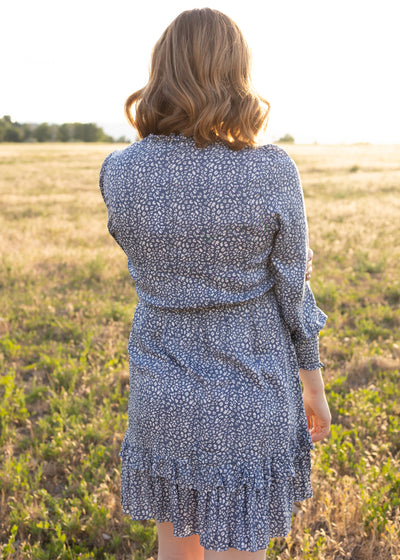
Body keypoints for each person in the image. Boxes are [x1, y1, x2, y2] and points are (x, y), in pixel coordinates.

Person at [99, 8, 331, 559]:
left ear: (163, 70)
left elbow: (155, 260)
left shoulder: (119, 170)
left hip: (164, 395)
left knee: (174, 551)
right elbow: (292, 293)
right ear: (236, 74)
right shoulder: (272, 171)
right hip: (251, 394)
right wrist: (314, 386)